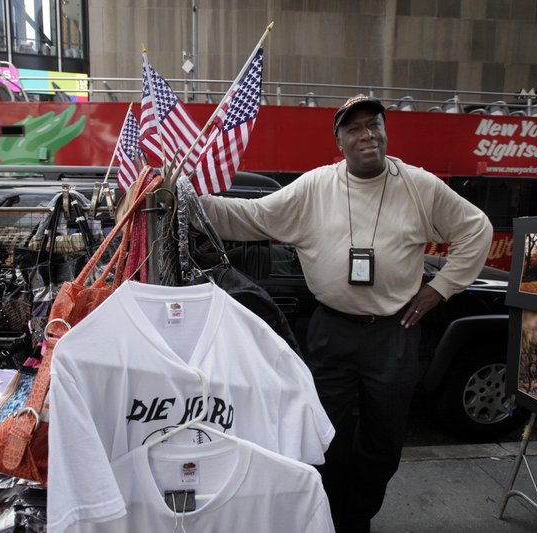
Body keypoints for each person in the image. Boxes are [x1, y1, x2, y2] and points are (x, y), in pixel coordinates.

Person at [198, 94, 493, 532]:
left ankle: (358, 517)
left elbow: (476, 229)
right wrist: (189, 201)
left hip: (394, 333)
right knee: (323, 434)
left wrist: (440, 289)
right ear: (340, 141)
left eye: (374, 124)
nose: (367, 134)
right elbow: (252, 217)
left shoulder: (418, 185)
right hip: (331, 329)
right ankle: (330, 516)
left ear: (385, 131)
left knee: (385, 440)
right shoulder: (316, 186)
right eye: (354, 128)